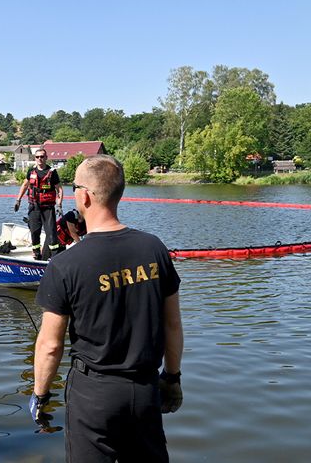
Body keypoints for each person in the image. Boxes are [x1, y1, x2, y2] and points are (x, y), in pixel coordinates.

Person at [30, 155, 184, 462]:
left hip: (93, 394)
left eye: (75, 186)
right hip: (145, 388)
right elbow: (172, 326)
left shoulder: (64, 265)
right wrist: (173, 377)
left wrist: (41, 394)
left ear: (85, 195)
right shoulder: (154, 249)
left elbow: (50, 345)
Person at [14, 148, 63, 260]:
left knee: (51, 233)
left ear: (46, 158)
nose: (40, 159)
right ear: (35, 158)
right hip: (34, 206)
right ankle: (36, 253)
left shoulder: (52, 173)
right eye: (37, 157)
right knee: (34, 231)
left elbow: (59, 189)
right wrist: (18, 200)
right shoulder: (31, 172)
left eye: (42, 156)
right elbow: (25, 185)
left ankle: (55, 256)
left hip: (48, 208)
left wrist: (59, 205)